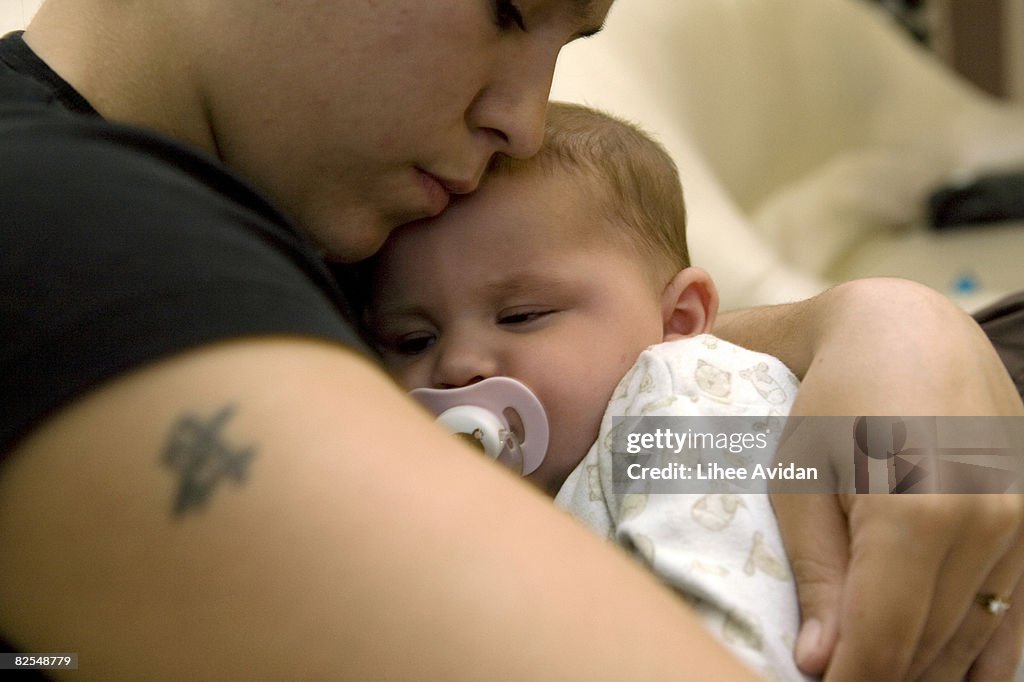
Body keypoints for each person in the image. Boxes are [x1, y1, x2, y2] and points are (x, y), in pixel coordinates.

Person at [1, 1, 1022, 679]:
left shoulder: (292, 215)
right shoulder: (71, 221)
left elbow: (612, 407)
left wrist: (873, 317)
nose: (523, 123)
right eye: (507, 9)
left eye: (566, 43)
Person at [365, 101, 812, 680]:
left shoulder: (682, 398)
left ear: (677, 320)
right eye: (413, 340)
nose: (456, 364)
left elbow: (727, 640)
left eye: (522, 316)